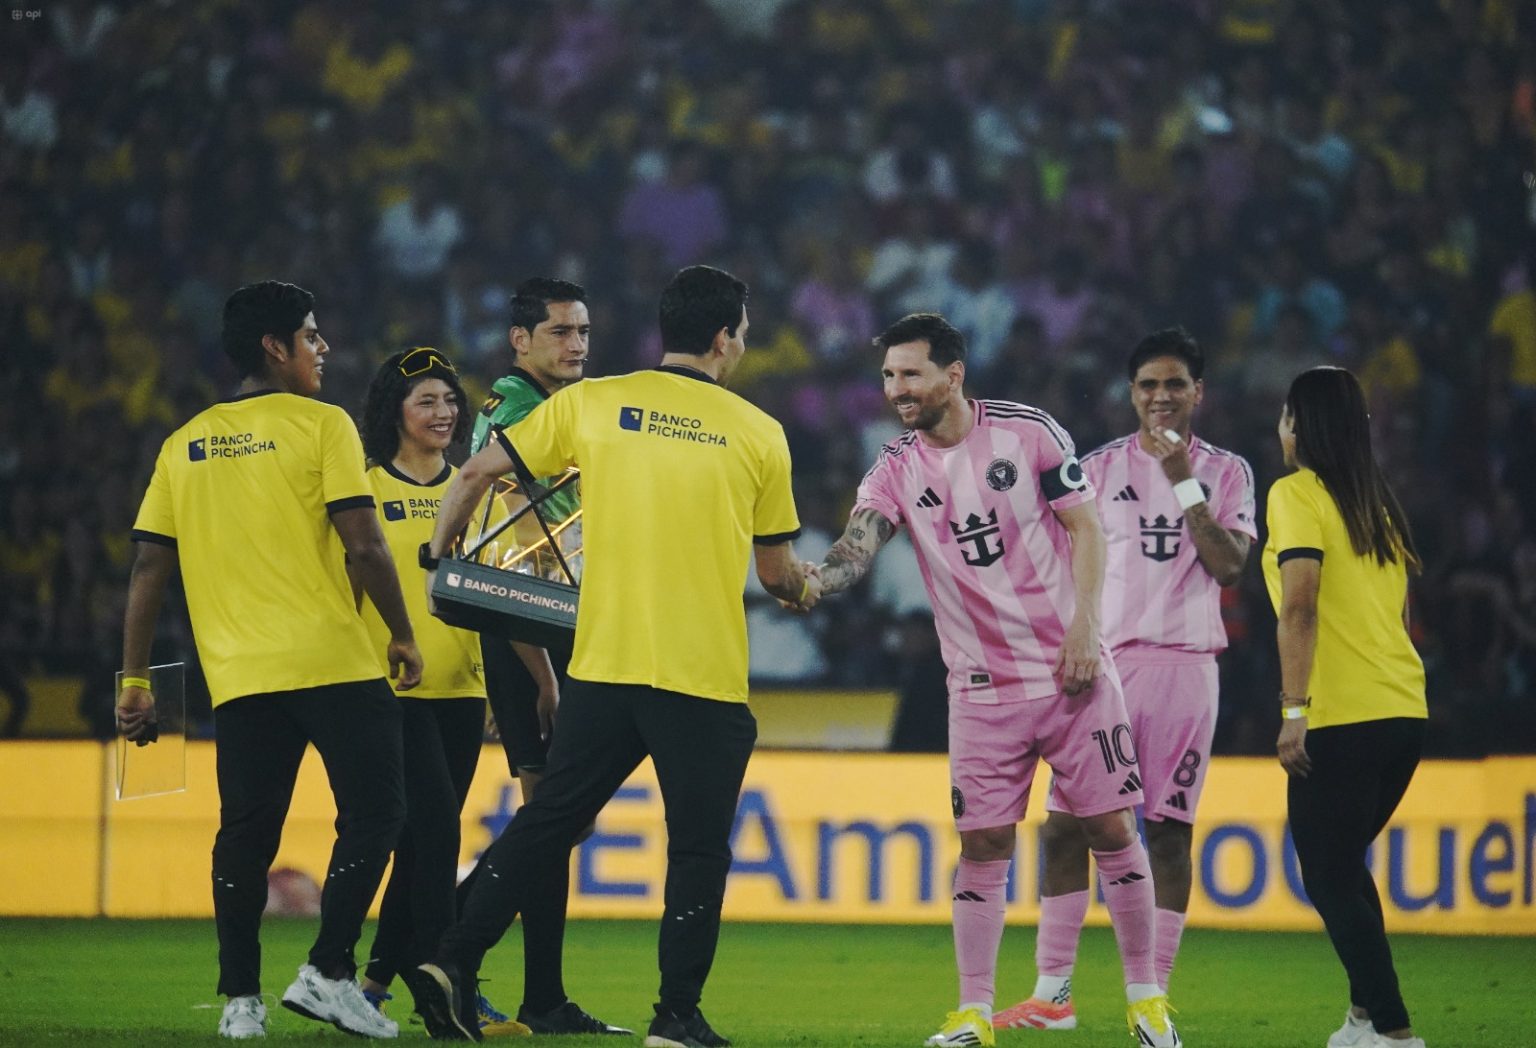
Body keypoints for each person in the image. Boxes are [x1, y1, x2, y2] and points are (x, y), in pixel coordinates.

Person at [413, 265, 818, 1045]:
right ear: (727, 337)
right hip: (698, 677)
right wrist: (807, 586)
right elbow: (774, 575)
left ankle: (451, 958)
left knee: (550, 822)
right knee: (697, 849)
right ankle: (674, 1016)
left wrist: (439, 559)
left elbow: (475, 471)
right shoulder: (759, 433)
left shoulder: (592, 404)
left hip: (601, 665)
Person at [810, 313, 1179, 1048]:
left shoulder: (1027, 432)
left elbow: (1086, 529)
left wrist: (1085, 629)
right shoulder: (894, 467)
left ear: (953, 373)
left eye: (910, 374)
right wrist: (816, 579)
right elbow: (860, 544)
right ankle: (974, 1013)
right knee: (982, 845)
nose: (897, 390)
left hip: (1071, 675)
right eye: (888, 376)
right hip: (980, 691)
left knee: (1110, 827)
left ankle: (1147, 1002)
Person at [115, 281, 420, 1040]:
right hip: (333, 661)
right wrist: (402, 632)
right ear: (275, 347)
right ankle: (326, 970)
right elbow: (364, 541)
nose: (323, 350)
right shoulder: (323, 425)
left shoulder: (183, 442)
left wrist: (132, 680)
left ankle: (240, 1003)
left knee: (246, 836)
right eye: (311, 337)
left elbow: (150, 569)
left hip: (241, 677)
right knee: (379, 813)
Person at [997, 327, 1254, 1030]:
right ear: (1131, 393)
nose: (1161, 397)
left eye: (1175, 384)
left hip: (1183, 670)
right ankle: (1053, 996)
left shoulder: (1227, 472)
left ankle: (1152, 1001)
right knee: (1063, 829)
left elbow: (1230, 566)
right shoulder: (1097, 468)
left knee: (1167, 833)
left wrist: (1183, 483)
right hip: (1102, 668)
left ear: (1199, 392)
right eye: (1149, 385)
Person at [455, 276, 628, 1036]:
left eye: (584, 331)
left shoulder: (542, 411)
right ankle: (442, 956)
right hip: (531, 634)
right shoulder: (516, 417)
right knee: (551, 820)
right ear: (521, 341)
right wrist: (544, 677)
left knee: (553, 821)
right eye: (562, 331)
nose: (579, 345)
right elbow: (520, 558)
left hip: (544, 630)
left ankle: (528, 990)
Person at [349, 348, 528, 1036]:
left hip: (460, 691)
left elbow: (494, 596)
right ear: (392, 410)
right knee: (435, 834)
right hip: (391, 690)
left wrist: (503, 687)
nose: (442, 414)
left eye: (450, 402)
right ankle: (450, 987)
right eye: (425, 401)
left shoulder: (474, 490)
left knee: (423, 848)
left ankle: (372, 983)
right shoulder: (359, 488)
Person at [1265, 367, 1428, 1048]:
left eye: (1286, 415)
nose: (1280, 427)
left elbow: (1300, 603)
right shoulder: (1376, 501)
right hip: (1403, 710)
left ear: (1300, 425)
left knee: (1328, 875)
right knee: (1346, 870)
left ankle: (1394, 1032)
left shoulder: (1296, 493)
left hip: (1343, 713)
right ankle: (1364, 1020)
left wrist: (1294, 709)